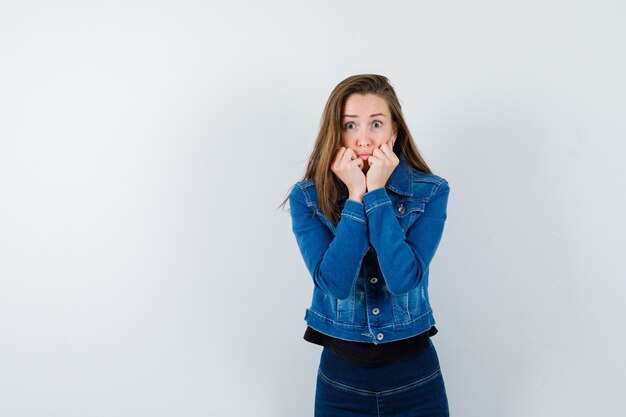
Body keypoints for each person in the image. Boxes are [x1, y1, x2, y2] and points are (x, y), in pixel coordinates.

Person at [281, 74, 451, 416]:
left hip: (415, 378)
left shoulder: (431, 191)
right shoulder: (307, 198)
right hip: (341, 380)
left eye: (376, 124)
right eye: (350, 125)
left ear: (394, 131)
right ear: (336, 131)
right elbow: (335, 284)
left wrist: (376, 193)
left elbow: (403, 278)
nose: (363, 139)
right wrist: (355, 198)